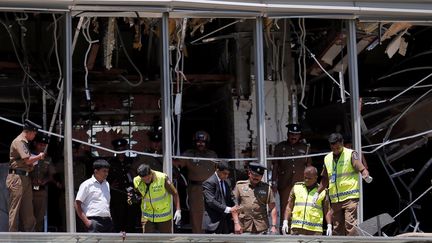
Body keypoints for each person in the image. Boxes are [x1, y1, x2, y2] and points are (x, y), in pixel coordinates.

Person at [313, 133, 372, 236]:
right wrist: (317, 193)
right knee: (337, 227)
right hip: (335, 200)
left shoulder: (351, 154)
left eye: (337, 147)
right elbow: (325, 179)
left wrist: (365, 175)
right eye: (333, 148)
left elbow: (361, 167)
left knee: (350, 225)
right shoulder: (327, 158)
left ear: (342, 143)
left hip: (350, 197)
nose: (335, 150)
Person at [174, 130, 218, 233]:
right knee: (196, 215)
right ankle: (198, 237)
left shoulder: (212, 155)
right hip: (195, 189)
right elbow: (177, 164)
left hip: (211, 189)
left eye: (203, 142)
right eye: (198, 141)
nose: (200, 144)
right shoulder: (189, 154)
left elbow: (218, 170)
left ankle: (213, 237)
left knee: (213, 213)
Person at [6, 119, 44, 232]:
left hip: (25, 177)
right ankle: (12, 237)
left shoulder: (25, 143)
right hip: (17, 178)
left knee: (28, 209)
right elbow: (27, 160)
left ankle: (29, 235)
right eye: (34, 133)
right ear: (29, 131)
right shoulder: (19, 141)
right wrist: (39, 156)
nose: (34, 136)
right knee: (15, 208)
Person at [272, 123, 311, 227]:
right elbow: (275, 165)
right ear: (288, 134)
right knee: (285, 207)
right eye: (291, 134)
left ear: (300, 135)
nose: (294, 137)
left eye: (296, 134)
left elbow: (309, 167)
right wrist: (273, 182)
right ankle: (285, 231)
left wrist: (310, 183)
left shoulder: (305, 148)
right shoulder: (280, 147)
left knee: (300, 207)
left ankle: (298, 229)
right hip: (285, 183)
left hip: (301, 183)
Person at [281, 166, 332, 235]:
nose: (306, 180)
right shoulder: (297, 187)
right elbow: (289, 206)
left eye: (309, 178)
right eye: (305, 178)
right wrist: (285, 221)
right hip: (297, 228)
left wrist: (329, 225)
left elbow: (327, 210)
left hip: (315, 230)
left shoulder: (322, 191)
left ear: (316, 177)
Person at [130, 164, 181, 233]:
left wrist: (178, 210)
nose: (146, 181)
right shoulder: (137, 180)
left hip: (163, 215)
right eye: (143, 179)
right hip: (147, 216)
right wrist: (133, 198)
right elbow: (139, 194)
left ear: (151, 173)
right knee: (148, 239)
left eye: (148, 178)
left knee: (166, 239)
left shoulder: (162, 178)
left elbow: (175, 193)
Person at [231, 162, 278, 234]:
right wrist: (236, 224)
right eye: (254, 175)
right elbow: (234, 207)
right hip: (244, 226)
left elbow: (273, 207)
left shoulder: (267, 188)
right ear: (249, 173)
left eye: (259, 176)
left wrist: (274, 226)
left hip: (261, 227)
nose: (256, 178)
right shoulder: (239, 186)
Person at [75, 159, 113, 233]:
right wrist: (87, 222)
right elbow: (77, 203)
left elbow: (106, 203)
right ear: (96, 171)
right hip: (93, 221)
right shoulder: (86, 184)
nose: (106, 174)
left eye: (107, 171)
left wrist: (110, 218)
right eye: (104, 171)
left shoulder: (107, 184)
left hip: (107, 221)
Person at [107, 138, 137, 232]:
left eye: (123, 149)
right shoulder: (110, 163)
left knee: (130, 220)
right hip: (117, 196)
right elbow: (105, 177)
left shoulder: (131, 161)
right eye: (119, 150)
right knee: (118, 221)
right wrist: (110, 185)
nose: (121, 152)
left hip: (130, 194)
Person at [29, 133, 56, 232]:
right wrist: (30, 180)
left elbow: (51, 175)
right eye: (40, 145)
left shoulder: (47, 159)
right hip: (28, 191)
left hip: (41, 192)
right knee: (27, 217)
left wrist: (45, 180)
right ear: (35, 143)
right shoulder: (28, 157)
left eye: (44, 145)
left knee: (39, 218)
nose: (42, 147)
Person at [202, 161, 237, 234]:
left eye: (228, 174)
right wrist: (228, 209)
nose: (226, 176)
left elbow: (231, 197)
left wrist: (236, 206)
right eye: (224, 173)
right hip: (213, 221)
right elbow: (211, 201)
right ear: (217, 170)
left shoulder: (226, 182)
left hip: (225, 222)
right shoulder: (209, 182)